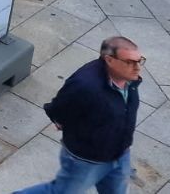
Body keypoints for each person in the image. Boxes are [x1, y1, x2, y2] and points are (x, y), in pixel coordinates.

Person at [13, 36, 142, 194]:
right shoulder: (85, 85)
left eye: (139, 60)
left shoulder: (130, 80)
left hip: (120, 155)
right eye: (130, 62)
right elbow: (59, 108)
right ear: (109, 60)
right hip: (87, 160)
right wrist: (61, 122)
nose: (137, 68)